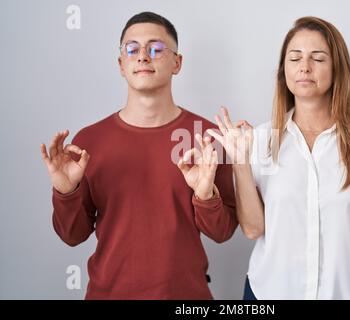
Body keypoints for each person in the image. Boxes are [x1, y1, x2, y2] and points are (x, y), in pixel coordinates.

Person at [207, 16, 350, 300]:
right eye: (295, 57)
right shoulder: (259, 140)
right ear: (283, 71)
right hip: (269, 294)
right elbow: (253, 229)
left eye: (318, 59)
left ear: (338, 69)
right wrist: (240, 163)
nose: (304, 67)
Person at [40, 11, 237, 299]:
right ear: (121, 64)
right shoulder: (88, 142)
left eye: (156, 49)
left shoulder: (205, 137)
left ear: (177, 63)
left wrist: (205, 197)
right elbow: (72, 236)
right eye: (132, 49)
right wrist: (66, 192)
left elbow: (223, 233)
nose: (143, 56)